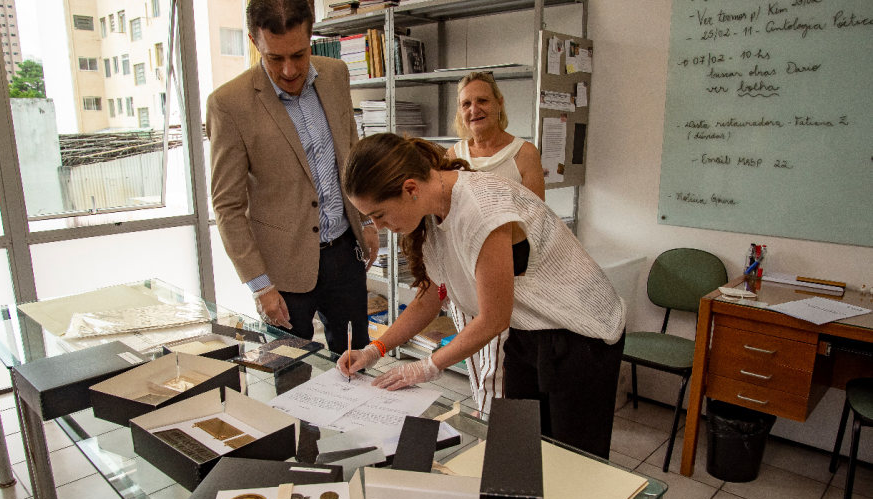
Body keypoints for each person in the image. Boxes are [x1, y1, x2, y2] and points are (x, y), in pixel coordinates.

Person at [338, 134, 626, 460]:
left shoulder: (480, 209)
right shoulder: (432, 211)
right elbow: (431, 295)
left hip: (580, 332)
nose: (380, 226)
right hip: (529, 328)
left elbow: (493, 318)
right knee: (522, 448)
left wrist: (426, 367)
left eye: (379, 215)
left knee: (574, 460)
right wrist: (375, 349)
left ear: (410, 189)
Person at [206, 0, 378, 355]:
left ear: (311, 34)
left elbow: (351, 151)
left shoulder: (335, 75)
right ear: (256, 43)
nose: (288, 70)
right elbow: (228, 206)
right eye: (274, 58)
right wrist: (260, 286)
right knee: (290, 377)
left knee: (358, 362)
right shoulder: (229, 103)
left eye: (299, 55)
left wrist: (367, 219)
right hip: (281, 274)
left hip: (345, 254)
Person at [444, 71, 546, 413]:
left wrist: (485, 228)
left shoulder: (524, 153)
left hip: (509, 272)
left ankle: (498, 427)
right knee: (476, 361)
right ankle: (487, 417)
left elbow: (532, 221)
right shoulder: (451, 157)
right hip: (463, 275)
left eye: (482, 100)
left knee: (503, 363)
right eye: (466, 103)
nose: (474, 109)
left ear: (499, 103)